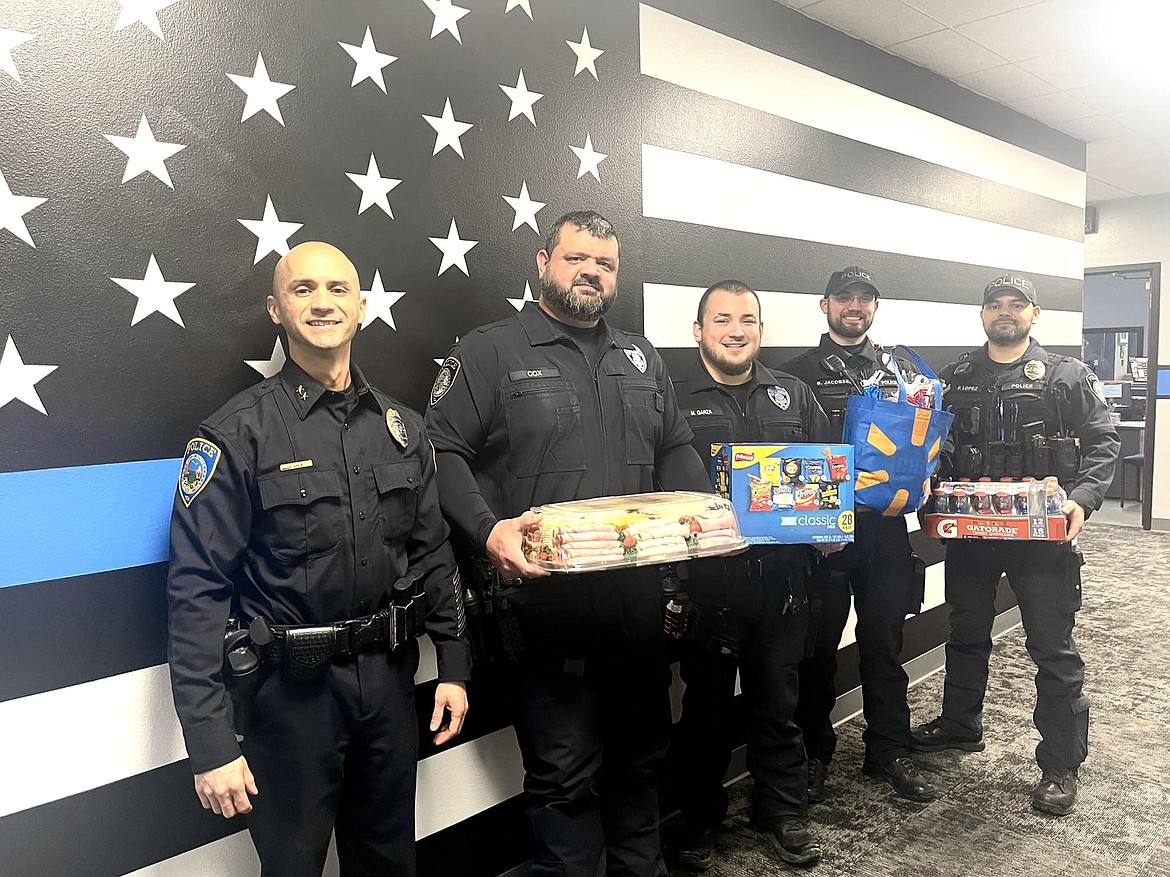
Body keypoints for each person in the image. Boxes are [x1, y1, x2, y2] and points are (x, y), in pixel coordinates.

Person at [166, 242, 471, 877]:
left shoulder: (404, 430)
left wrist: (456, 664)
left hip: (389, 685)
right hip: (289, 699)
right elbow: (198, 588)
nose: (322, 302)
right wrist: (209, 740)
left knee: (389, 864)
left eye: (338, 289)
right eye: (302, 289)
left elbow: (433, 552)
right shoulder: (235, 434)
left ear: (361, 307)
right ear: (274, 310)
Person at [424, 210, 710, 877]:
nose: (592, 272)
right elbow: (440, 450)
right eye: (576, 257)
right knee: (563, 781)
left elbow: (674, 448)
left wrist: (706, 516)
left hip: (638, 613)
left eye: (605, 263)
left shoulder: (640, 356)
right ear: (542, 261)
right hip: (543, 619)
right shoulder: (489, 352)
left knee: (640, 764)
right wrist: (488, 526)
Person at [911, 274, 1120, 816]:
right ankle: (960, 724)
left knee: (1052, 649)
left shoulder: (1066, 376)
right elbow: (933, 441)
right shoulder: (955, 377)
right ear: (982, 315)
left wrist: (1083, 498)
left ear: (1034, 314)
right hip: (974, 531)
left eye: (1016, 305)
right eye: (994, 305)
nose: (1005, 312)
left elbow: (1103, 440)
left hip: (1044, 538)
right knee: (966, 630)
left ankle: (1060, 764)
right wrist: (924, 475)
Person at [668, 280, 831, 871]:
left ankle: (782, 811)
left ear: (760, 331)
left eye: (748, 320)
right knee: (705, 711)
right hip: (708, 586)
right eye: (722, 320)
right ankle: (700, 820)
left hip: (784, 582)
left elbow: (827, 478)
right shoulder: (672, 399)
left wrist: (830, 525)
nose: (736, 330)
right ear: (698, 332)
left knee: (778, 704)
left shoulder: (795, 396)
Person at [780, 266, 936, 803]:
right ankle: (813, 755)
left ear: (875, 307)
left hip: (887, 534)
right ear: (825, 306)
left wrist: (927, 472)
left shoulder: (905, 371)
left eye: (865, 298)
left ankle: (888, 750)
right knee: (816, 653)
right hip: (822, 537)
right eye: (844, 297)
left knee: (884, 647)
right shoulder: (792, 375)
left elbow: (927, 439)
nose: (855, 305)